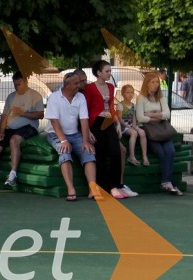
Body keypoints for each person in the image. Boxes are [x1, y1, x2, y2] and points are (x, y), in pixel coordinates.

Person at [0, 72, 44, 190]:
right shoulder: (11, 97)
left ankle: (13, 173)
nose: (16, 87)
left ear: (25, 82)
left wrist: (23, 113)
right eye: (15, 85)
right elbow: (4, 116)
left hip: (28, 127)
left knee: (14, 140)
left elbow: (40, 114)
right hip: (10, 129)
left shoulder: (35, 95)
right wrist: (2, 131)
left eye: (19, 84)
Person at [45, 72, 97, 201]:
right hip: (55, 134)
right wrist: (63, 140)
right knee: (65, 153)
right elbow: (54, 122)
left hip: (74, 133)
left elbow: (84, 120)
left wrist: (85, 141)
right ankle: (71, 189)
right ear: (67, 85)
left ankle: (93, 189)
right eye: (76, 83)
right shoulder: (54, 97)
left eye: (79, 83)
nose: (79, 86)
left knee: (89, 152)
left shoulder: (80, 97)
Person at [83, 61, 126, 199]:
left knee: (115, 152)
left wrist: (117, 123)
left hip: (108, 122)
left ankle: (115, 185)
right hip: (96, 122)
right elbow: (86, 110)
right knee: (100, 155)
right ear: (98, 73)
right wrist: (88, 130)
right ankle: (109, 187)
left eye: (110, 70)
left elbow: (111, 106)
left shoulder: (110, 87)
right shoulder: (89, 88)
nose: (109, 73)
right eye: (107, 71)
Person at [137, 71, 183, 196]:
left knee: (171, 151)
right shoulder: (141, 98)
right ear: (147, 84)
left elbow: (167, 114)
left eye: (157, 82)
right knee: (161, 153)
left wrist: (151, 114)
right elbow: (140, 118)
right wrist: (158, 115)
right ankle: (171, 184)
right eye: (153, 82)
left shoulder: (161, 97)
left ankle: (166, 182)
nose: (155, 85)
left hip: (163, 131)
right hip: (151, 132)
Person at [116, 84, 149, 166]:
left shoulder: (134, 105)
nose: (130, 94)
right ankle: (131, 156)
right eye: (127, 92)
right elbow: (120, 119)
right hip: (124, 126)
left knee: (142, 132)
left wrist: (134, 126)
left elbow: (134, 118)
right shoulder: (120, 105)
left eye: (132, 92)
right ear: (123, 94)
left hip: (131, 125)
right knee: (134, 133)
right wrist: (128, 127)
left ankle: (144, 156)